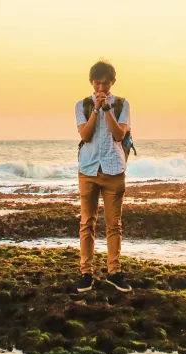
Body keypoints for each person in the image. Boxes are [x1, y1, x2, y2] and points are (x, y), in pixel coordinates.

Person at [74, 60, 132, 293]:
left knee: (113, 224)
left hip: (113, 169)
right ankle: (85, 272)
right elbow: (85, 135)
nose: (100, 88)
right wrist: (96, 109)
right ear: (91, 82)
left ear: (112, 83)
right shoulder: (82, 105)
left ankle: (114, 271)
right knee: (86, 222)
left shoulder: (121, 104)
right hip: (88, 169)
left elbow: (119, 135)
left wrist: (107, 109)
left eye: (105, 84)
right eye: (97, 83)